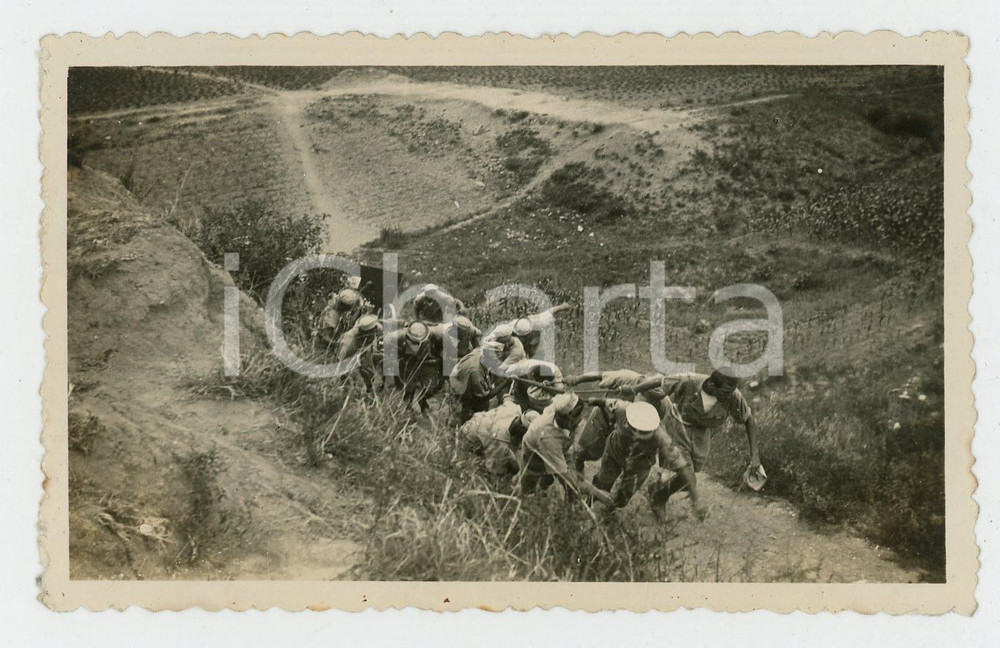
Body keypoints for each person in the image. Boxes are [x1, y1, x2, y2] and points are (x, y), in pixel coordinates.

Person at [622, 369, 761, 509]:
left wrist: (755, 456)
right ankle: (659, 500)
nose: (729, 397)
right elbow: (660, 381)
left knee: (688, 476)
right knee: (688, 477)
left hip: (701, 434)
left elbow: (748, 419)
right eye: (725, 393)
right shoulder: (689, 380)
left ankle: (658, 491)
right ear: (712, 385)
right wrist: (633, 389)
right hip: (677, 426)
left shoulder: (732, 395)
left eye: (731, 392)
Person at [585, 399, 705, 519]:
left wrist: (696, 501)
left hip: (639, 465)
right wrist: (588, 401)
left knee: (622, 498)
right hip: (614, 454)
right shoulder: (622, 409)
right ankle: (585, 508)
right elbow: (603, 402)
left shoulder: (661, 437)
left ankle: (608, 511)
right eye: (635, 429)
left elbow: (684, 467)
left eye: (643, 432)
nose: (638, 434)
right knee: (601, 487)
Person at [518, 393, 615, 507]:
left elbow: (564, 398)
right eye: (578, 417)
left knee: (549, 479)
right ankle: (528, 504)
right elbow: (566, 478)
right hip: (535, 457)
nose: (580, 421)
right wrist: (598, 493)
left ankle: (544, 490)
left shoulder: (558, 411)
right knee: (532, 482)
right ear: (569, 418)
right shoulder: (549, 440)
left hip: (557, 448)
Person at [459, 394, 538, 477]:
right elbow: (495, 467)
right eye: (526, 432)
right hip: (467, 437)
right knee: (512, 468)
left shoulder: (513, 409)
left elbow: (507, 398)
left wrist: (507, 397)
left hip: (474, 421)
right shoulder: (501, 440)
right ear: (522, 427)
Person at [384, 321, 443, 414]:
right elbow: (387, 345)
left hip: (426, 360)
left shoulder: (436, 333)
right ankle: (407, 407)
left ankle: (423, 401)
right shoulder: (397, 336)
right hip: (409, 360)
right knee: (409, 385)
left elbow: (443, 346)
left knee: (430, 386)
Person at [564, 369, 669, 416]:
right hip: (606, 410)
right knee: (585, 448)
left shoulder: (664, 406)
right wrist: (576, 379)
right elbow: (600, 375)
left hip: (632, 423)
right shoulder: (627, 377)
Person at [336, 314, 383, 394]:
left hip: (365, 349)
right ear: (365, 333)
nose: (375, 332)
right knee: (350, 379)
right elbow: (342, 362)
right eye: (372, 332)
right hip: (350, 354)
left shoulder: (377, 327)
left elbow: (378, 338)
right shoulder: (349, 343)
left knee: (369, 372)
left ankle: (369, 390)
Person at [507, 302, 573, 358]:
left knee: (536, 357)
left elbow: (550, 312)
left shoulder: (539, 322)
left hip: (534, 338)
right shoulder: (509, 328)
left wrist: (563, 307)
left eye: (523, 337)